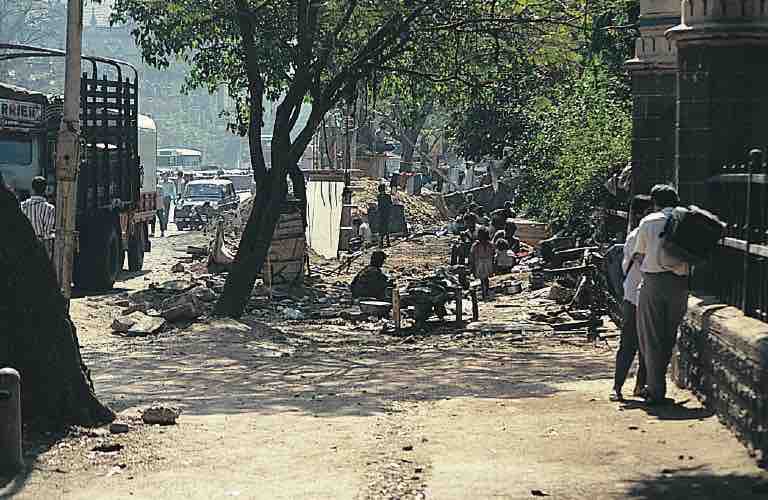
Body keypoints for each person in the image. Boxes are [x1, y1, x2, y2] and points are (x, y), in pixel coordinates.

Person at [633, 185, 689, 405]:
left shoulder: (648, 222)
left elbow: (639, 255)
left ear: (654, 201)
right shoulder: (685, 218)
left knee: (651, 336)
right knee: (669, 334)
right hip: (680, 284)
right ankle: (658, 384)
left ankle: (656, 390)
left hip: (653, 283)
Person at [610, 194, 652, 402]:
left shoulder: (644, 233)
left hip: (638, 294)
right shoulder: (638, 235)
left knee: (643, 345)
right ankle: (618, 386)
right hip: (636, 296)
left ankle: (637, 386)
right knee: (630, 343)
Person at [20, 176, 55, 256]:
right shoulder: (49, 208)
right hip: (40, 247)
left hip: (25, 245)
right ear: (45, 189)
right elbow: (47, 234)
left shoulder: (23, 206)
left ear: (32, 188)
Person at [470, 227, 495, 300]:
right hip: (485, 263)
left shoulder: (476, 245)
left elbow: (472, 255)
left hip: (480, 263)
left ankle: (485, 292)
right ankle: (485, 291)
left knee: (483, 279)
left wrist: (472, 266)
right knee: (485, 279)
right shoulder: (489, 244)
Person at [377, 184, 393, 248]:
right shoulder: (386, 196)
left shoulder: (380, 197)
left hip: (385, 215)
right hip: (383, 215)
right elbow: (390, 205)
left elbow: (390, 205)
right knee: (384, 229)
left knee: (385, 229)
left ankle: (385, 242)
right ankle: (384, 242)